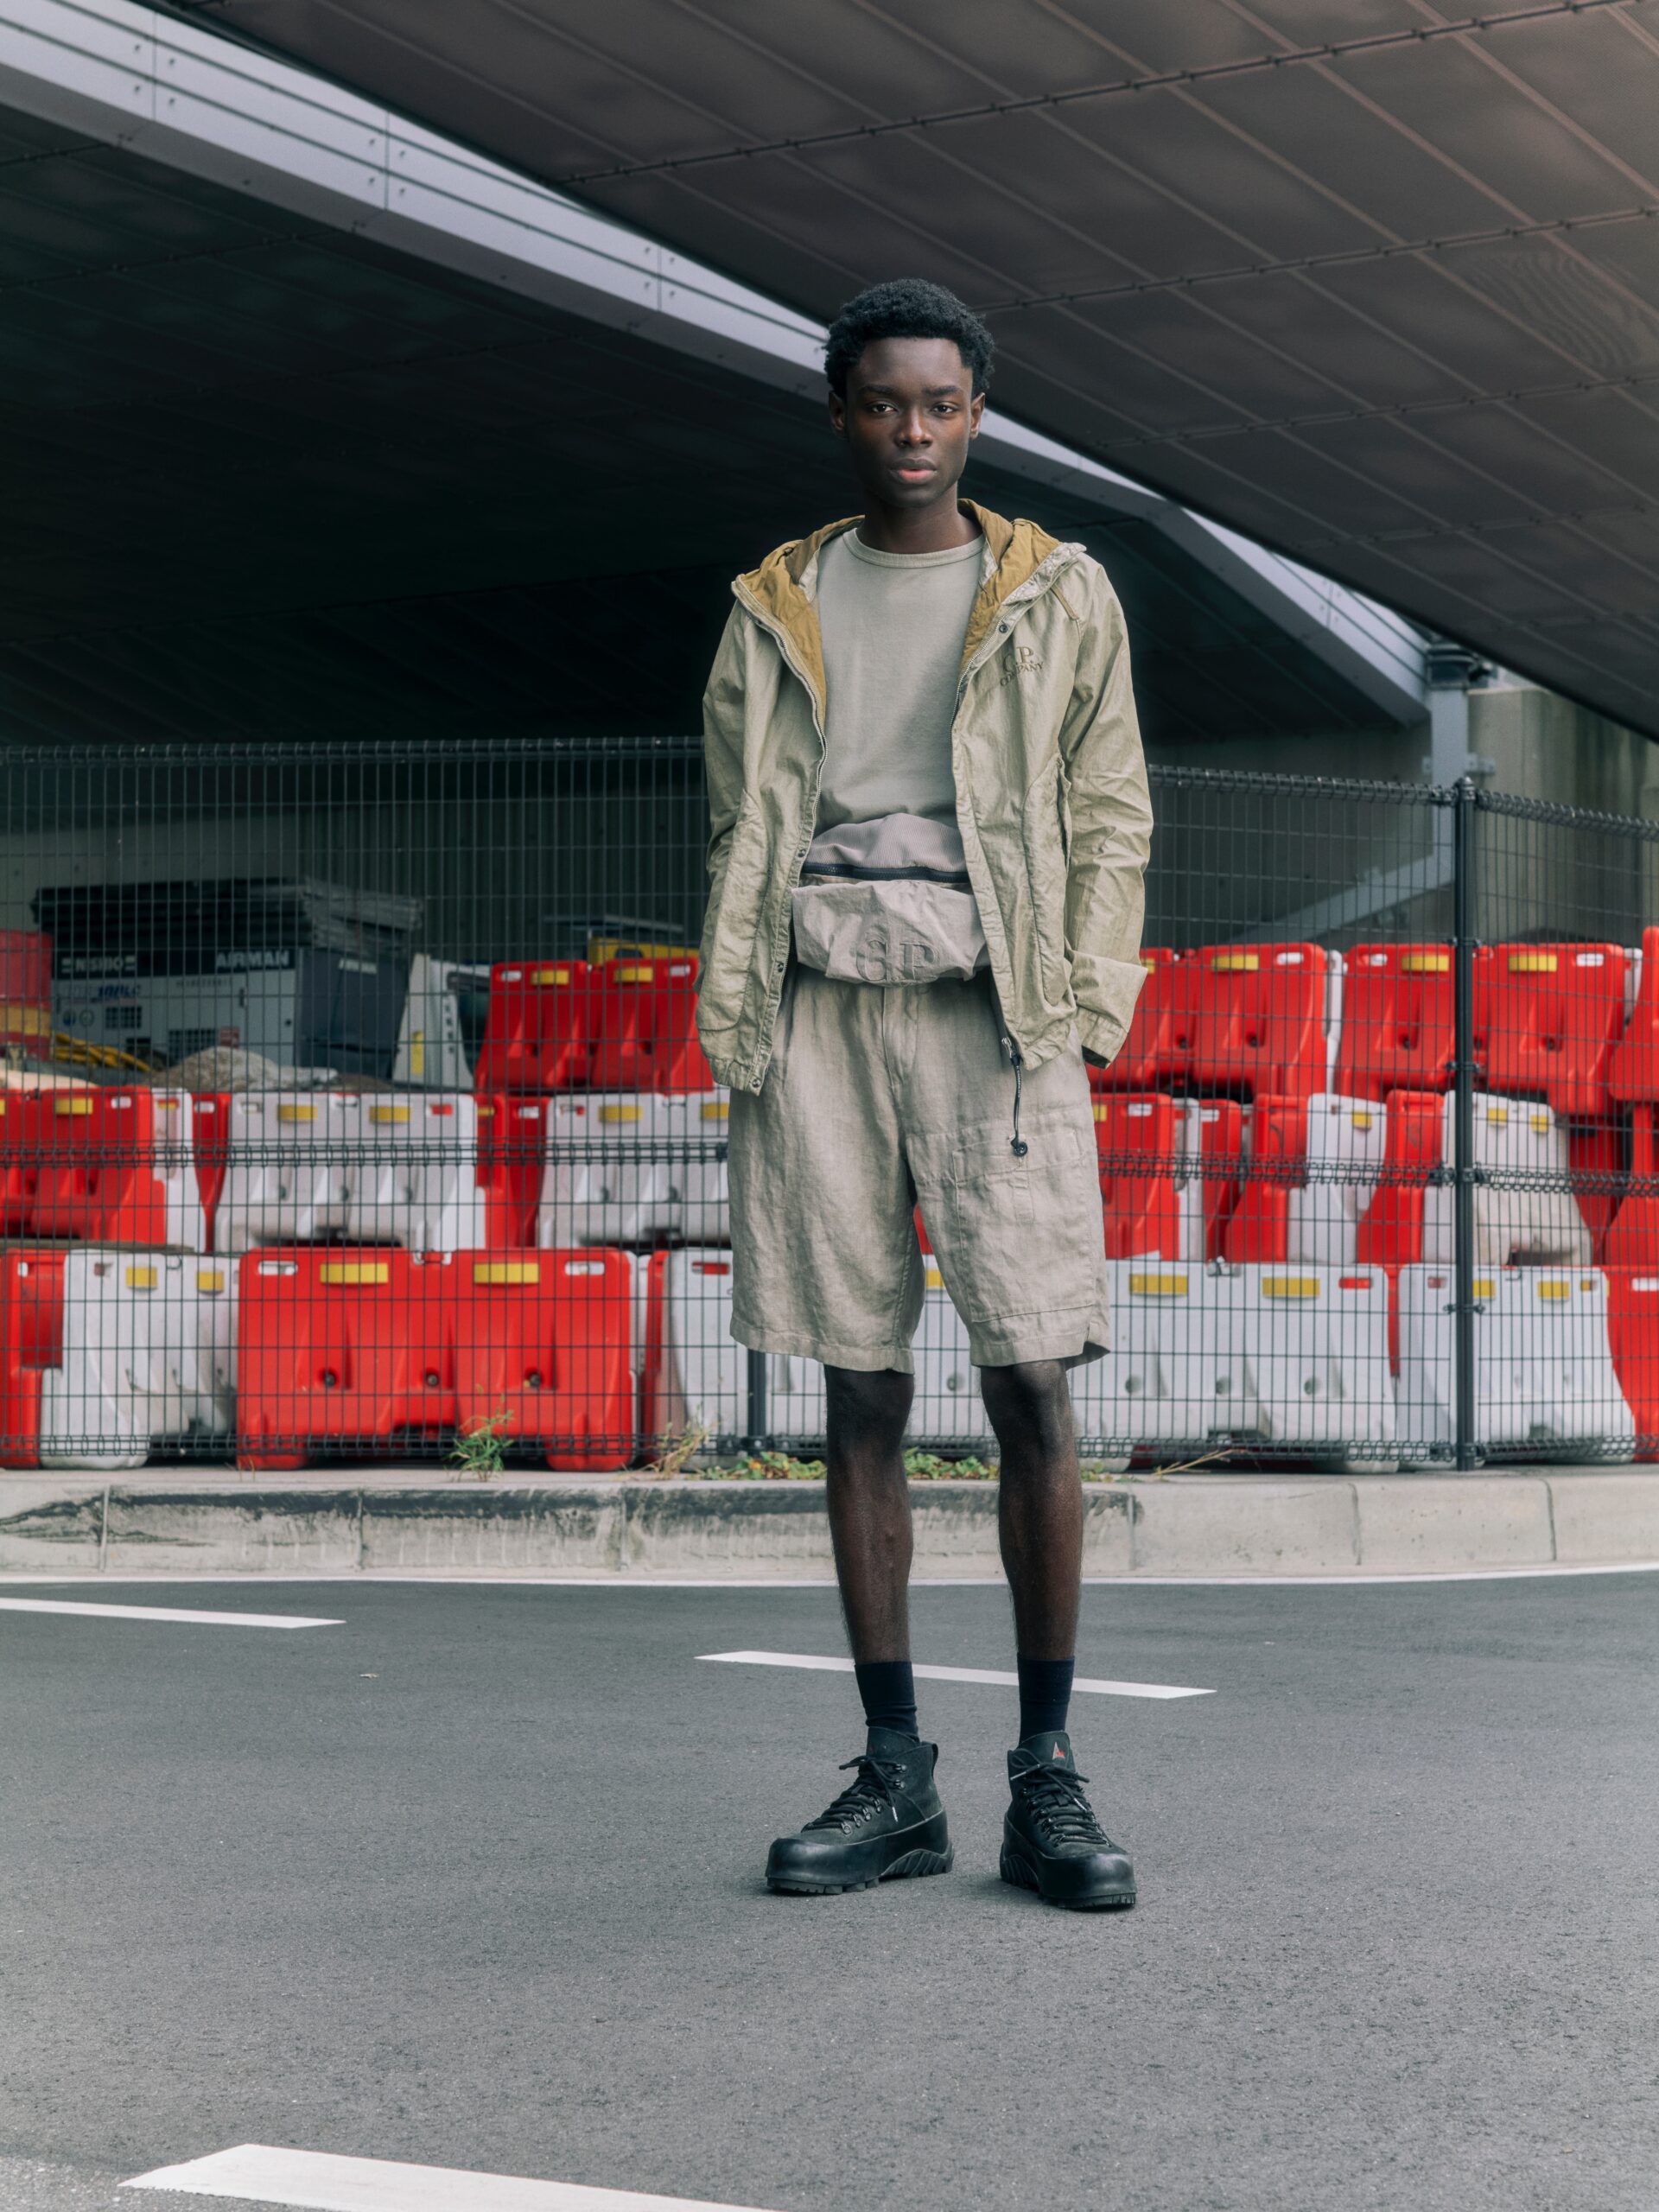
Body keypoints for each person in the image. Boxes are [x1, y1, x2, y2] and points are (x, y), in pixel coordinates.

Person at [696, 279, 1153, 1910]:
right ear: (842, 411)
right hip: (817, 1009)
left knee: (1031, 1378)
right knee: (860, 1388)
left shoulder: (1058, 595)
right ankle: (896, 1779)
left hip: (997, 1013)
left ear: (977, 415)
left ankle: (1049, 1779)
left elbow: (1110, 810)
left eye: (941, 405)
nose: (913, 431)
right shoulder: (773, 602)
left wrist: (1083, 1007)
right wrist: (740, 1000)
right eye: (884, 403)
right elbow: (740, 819)